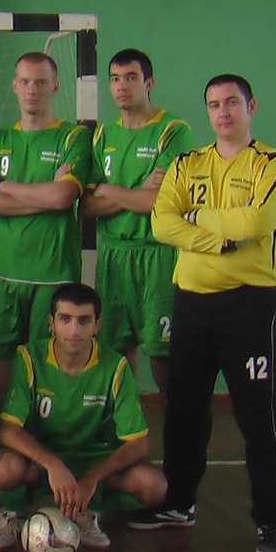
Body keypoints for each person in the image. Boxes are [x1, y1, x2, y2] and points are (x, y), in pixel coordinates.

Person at [138, 74, 276, 552]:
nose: (222, 112)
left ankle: (271, 521)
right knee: (184, 410)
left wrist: (197, 217)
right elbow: (162, 223)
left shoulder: (272, 164)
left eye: (231, 103)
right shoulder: (188, 163)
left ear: (251, 106)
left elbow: (257, 222)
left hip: (249, 307)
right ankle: (178, 503)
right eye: (213, 104)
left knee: (258, 418)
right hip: (192, 304)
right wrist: (221, 238)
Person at [0, 283, 167, 551]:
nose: (74, 330)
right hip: (42, 461)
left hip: (92, 459)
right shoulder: (29, 357)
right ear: (51, 323)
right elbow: (9, 430)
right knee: (5, 470)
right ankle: (14, 512)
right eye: (65, 319)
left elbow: (138, 443)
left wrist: (93, 477)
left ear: (97, 325)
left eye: (84, 321)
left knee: (154, 486)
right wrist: (53, 465)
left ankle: (87, 510)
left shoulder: (115, 366)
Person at [0, 53, 91, 423]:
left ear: (56, 86)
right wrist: (43, 196)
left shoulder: (74, 136)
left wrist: (9, 187)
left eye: (40, 82)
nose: (32, 89)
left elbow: (63, 197)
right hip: (2, 272)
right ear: (14, 86)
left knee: (44, 377)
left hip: (52, 274)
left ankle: (38, 449)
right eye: (25, 81)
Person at [80, 49, 191, 401]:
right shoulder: (102, 135)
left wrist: (109, 189)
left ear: (149, 82)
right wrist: (135, 191)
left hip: (158, 256)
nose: (122, 86)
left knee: (163, 359)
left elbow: (157, 202)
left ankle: (180, 431)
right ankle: (124, 428)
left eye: (131, 77)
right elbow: (86, 206)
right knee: (114, 355)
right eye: (115, 79)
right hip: (113, 256)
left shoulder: (172, 130)